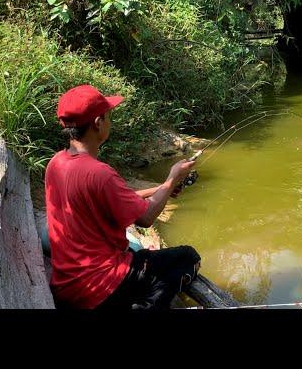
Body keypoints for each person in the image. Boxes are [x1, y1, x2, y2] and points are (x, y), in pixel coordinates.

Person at [44, 84, 201, 309]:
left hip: (67, 282)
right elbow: (145, 218)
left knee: (145, 257)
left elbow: (118, 198)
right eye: (109, 117)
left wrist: (163, 188)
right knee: (187, 257)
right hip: (100, 284)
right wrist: (172, 178)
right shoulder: (100, 173)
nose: (110, 122)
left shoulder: (56, 163)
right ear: (98, 123)